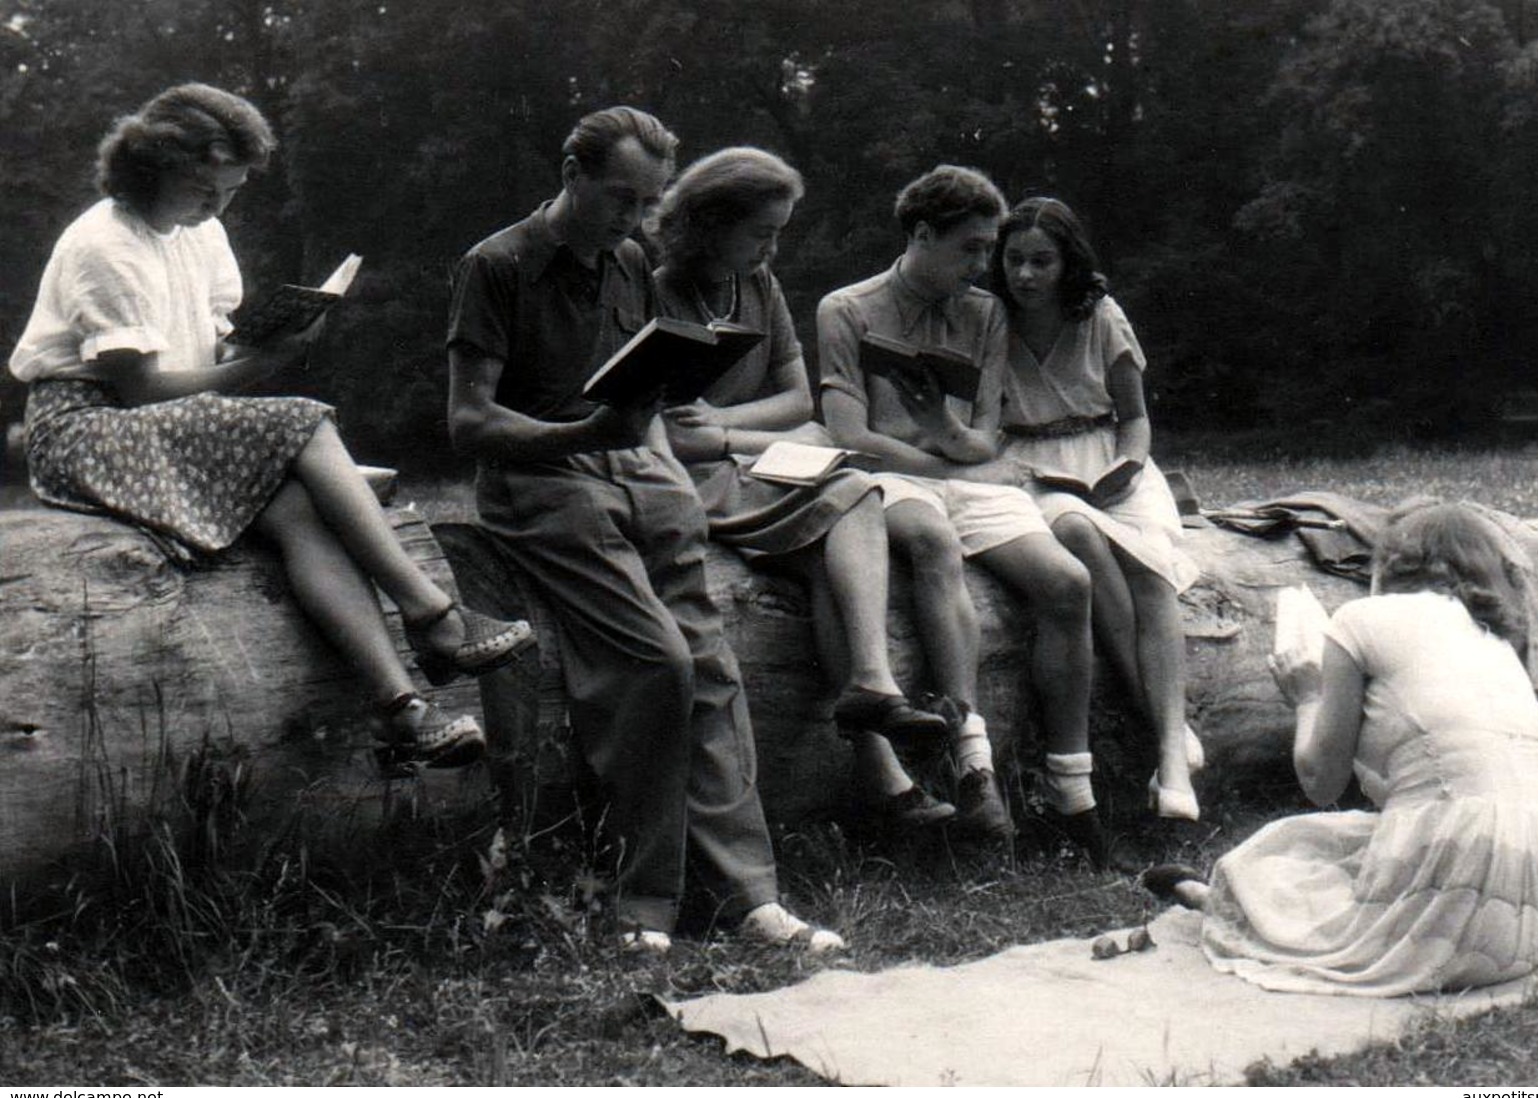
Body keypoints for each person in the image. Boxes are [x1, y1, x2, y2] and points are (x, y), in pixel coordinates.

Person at [7, 83, 533, 771]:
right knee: (306, 421)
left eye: (228, 192)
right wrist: (266, 366)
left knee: (295, 510)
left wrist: (262, 340)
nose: (216, 207)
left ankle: (404, 710)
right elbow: (138, 390)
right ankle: (435, 616)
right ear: (151, 166)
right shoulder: (101, 244)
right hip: (87, 427)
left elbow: (210, 349)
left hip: (164, 423)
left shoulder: (201, 234)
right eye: (204, 189)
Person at [444, 106, 843, 954]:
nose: (633, 222)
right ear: (571, 172)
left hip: (633, 468)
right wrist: (581, 440)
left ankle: (748, 897)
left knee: (709, 663)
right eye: (620, 199)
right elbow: (469, 423)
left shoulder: (628, 261)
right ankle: (642, 903)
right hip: (539, 477)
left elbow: (634, 395)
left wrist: (658, 463)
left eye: (648, 203)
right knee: (653, 663)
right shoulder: (496, 263)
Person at [1143, 502, 1538, 996]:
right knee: (1348, 839)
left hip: (1464, 868)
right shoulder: (1496, 641)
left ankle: (1207, 898)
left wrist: (1308, 697)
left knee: (1271, 857)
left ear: (1391, 563)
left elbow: (1321, 784)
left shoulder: (1361, 618)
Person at [648, 146, 952, 827]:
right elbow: (654, 423)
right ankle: (881, 752)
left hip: (734, 456)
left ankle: (875, 707)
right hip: (678, 475)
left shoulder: (759, 286)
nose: (772, 247)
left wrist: (723, 425)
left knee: (848, 492)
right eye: (761, 232)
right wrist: (711, 439)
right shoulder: (649, 284)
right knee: (841, 500)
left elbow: (795, 400)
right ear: (709, 222)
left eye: (779, 231)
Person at [817, 164, 1107, 864]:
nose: (985, 265)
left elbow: (981, 432)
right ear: (920, 234)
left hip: (958, 469)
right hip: (890, 479)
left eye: (988, 249)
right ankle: (972, 765)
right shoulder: (846, 309)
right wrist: (953, 461)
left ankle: (1073, 792)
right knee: (930, 537)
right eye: (971, 249)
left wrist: (940, 429)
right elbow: (848, 434)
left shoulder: (984, 312)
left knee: (1068, 584)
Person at [988, 197, 1200, 823]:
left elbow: (1134, 419)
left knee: (1150, 570)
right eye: (1015, 260)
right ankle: (1168, 729)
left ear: (1068, 262)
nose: (1026, 275)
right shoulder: (988, 318)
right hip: (1032, 465)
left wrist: (1128, 469)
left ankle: (1172, 757)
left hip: (1110, 454)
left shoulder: (1101, 314)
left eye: (1042, 262)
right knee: (1077, 530)